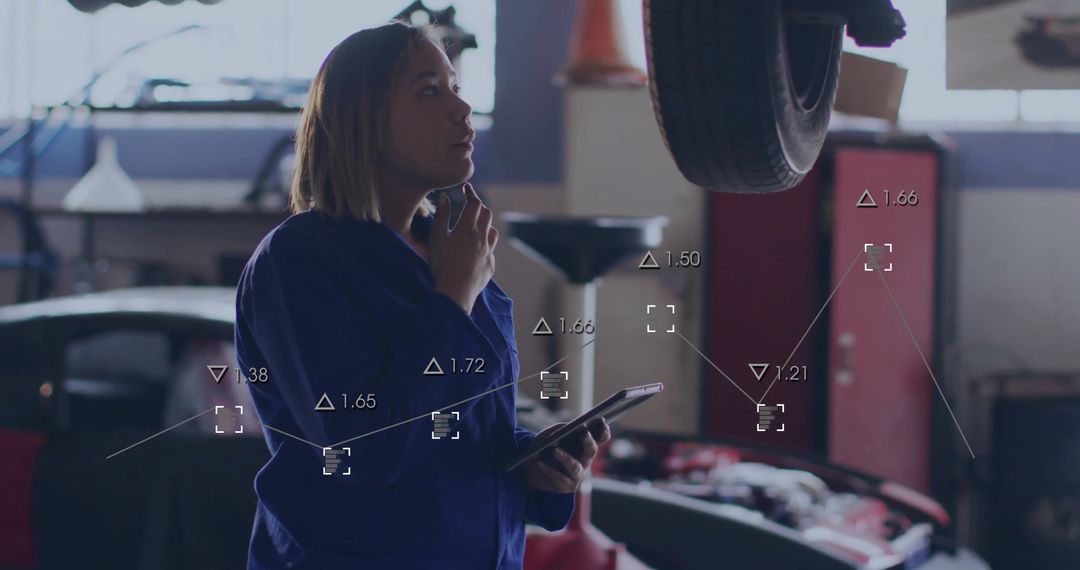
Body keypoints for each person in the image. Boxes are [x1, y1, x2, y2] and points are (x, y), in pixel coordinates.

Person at [234, 22, 611, 569]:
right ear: (362, 117)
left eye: (456, 87)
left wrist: (530, 460)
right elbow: (362, 447)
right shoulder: (299, 263)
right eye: (430, 90)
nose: (462, 110)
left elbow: (458, 430)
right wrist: (453, 297)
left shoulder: (446, 250)